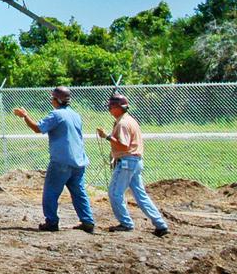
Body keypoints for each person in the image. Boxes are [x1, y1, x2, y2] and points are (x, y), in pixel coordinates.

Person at [13, 86, 96, 233]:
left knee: (51, 192)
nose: (51, 100)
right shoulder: (76, 115)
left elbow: (38, 128)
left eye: (52, 98)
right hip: (79, 161)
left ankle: (51, 222)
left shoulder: (56, 115)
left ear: (57, 100)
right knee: (79, 192)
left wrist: (25, 116)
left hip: (61, 161)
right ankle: (88, 221)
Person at [97, 92, 168, 236]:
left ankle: (126, 223)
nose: (109, 109)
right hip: (135, 161)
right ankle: (160, 223)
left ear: (118, 107)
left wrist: (107, 137)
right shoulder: (130, 120)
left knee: (114, 193)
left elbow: (123, 145)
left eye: (111, 106)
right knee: (140, 195)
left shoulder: (123, 123)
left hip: (127, 162)